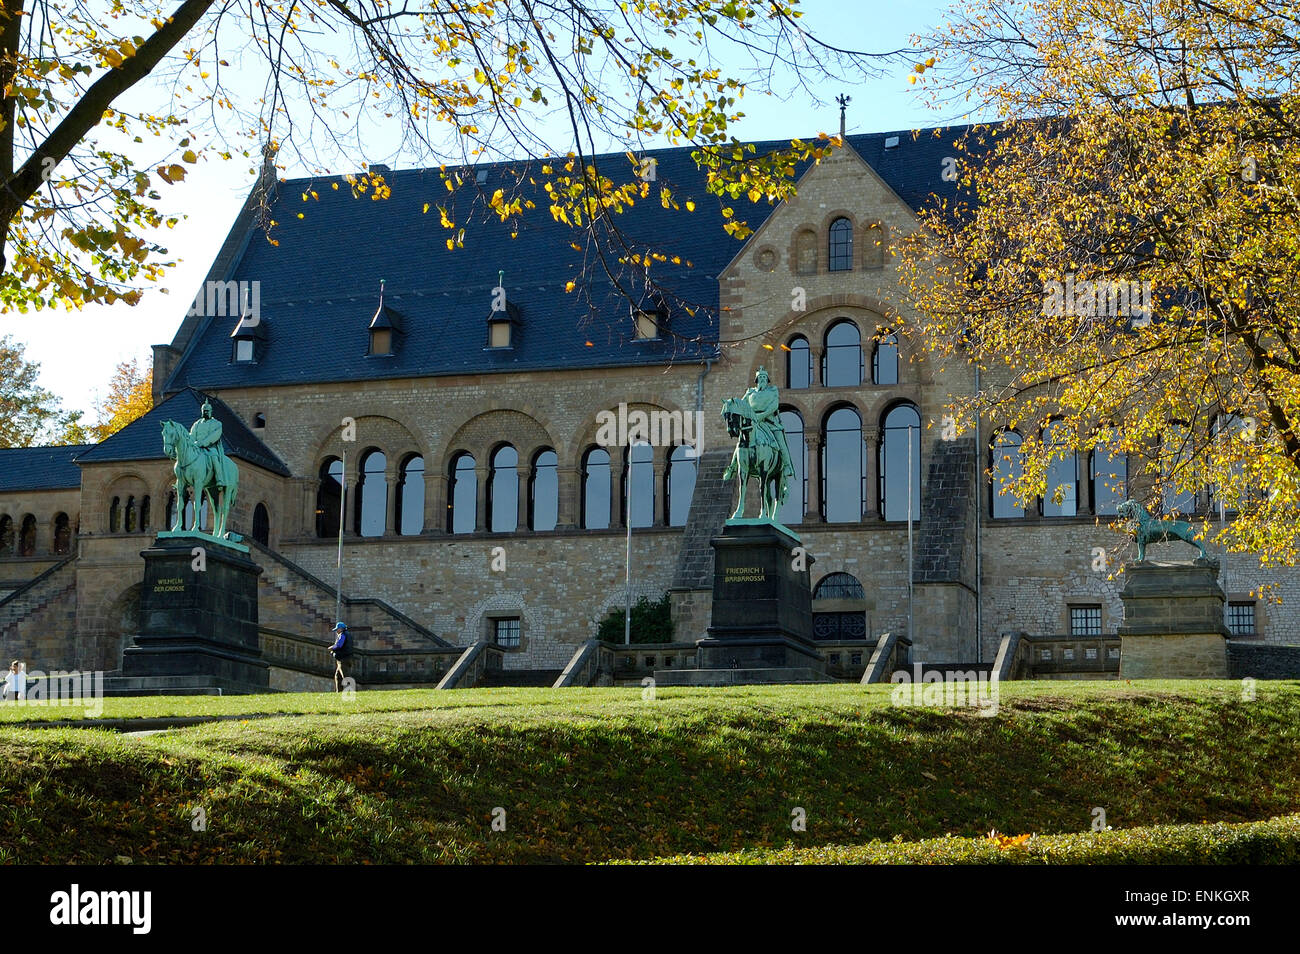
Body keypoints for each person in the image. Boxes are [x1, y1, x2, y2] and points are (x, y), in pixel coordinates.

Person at [328, 622, 354, 693]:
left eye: (337, 629)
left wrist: (332, 648)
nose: (336, 631)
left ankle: (351, 692)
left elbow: (339, 645)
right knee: (338, 676)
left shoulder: (343, 635)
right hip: (346, 658)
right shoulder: (348, 635)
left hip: (343, 659)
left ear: (341, 629)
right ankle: (339, 692)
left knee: (345, 676)